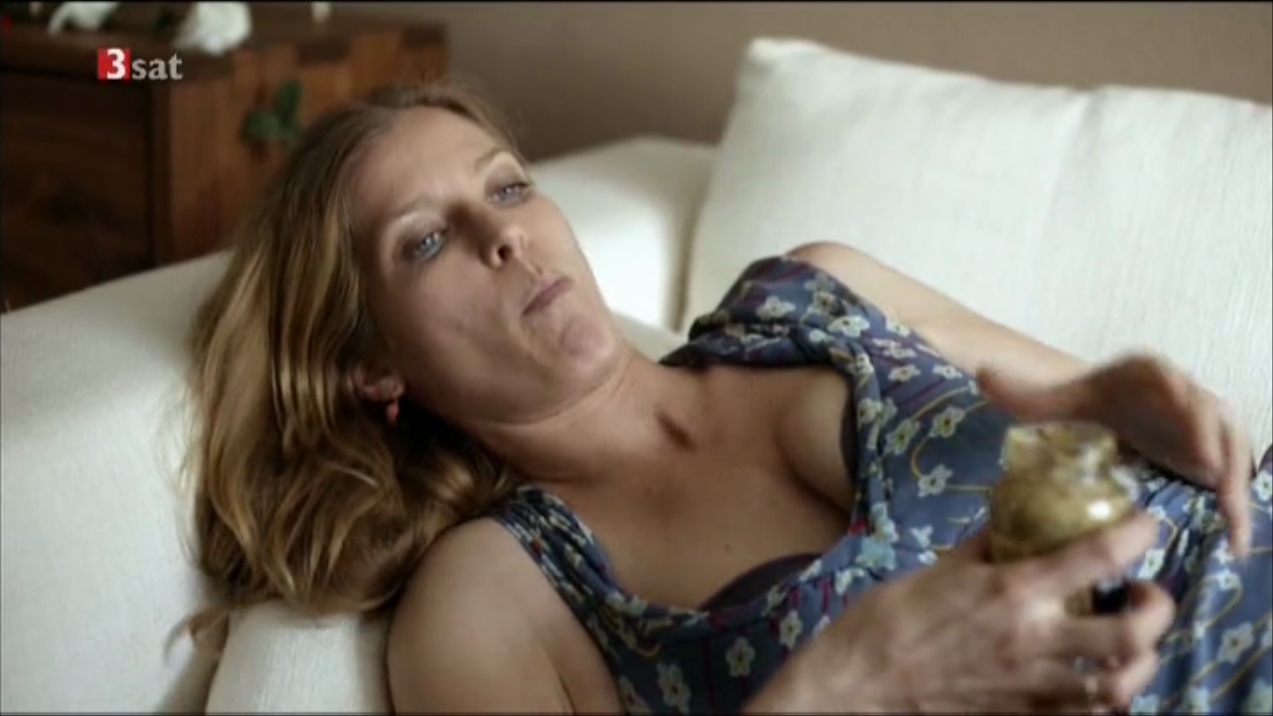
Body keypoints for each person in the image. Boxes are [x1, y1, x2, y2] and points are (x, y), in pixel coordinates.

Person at [186, 80, 1273, 715]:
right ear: (372, 364)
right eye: (424, 241)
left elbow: (1106, 416)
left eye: (507, 184)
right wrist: (841, 687)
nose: (501, 233)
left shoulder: (815, 288)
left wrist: (1115, 407)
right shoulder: (493, 596)